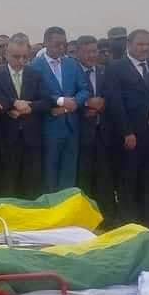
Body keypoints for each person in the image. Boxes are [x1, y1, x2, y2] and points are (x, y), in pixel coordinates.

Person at [104, 29, 149, 236]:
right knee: (129, 178)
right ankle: (130, 225)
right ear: (129, 44)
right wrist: (126, 132)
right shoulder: (116, 68)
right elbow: (115, 103)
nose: (145, 48)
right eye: (141, 44)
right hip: (131, 133)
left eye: (148, 44)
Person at [0, 39, 46, 199]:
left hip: (31, 139)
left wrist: (29, 108)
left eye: (25, 57)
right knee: (7, 185)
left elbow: (46, 101)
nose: (21, 61)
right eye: (17, 57)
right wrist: (13, 104)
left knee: (31, 185)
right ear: (6, 55)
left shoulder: (35, 75)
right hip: (6, 139)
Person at [32, 26, 89, 192]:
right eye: (57, 44)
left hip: (71, 127)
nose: (62, 48)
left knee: (69, 172)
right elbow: (35, 94)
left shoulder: (72, 64)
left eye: (64, 44)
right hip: (48, 127)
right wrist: (59, 102)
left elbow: (84, 89)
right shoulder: (35, 66)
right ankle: (51, 204)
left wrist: (73, 104)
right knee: (49, 172)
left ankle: (67, 204)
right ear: (46, 43)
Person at [73, 35, 116, 223]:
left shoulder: (105, 71)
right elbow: (67, 97)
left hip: (103, 132)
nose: (92, 55)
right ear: (78, 52)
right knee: (83, 177)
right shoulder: (72, 72)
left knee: (105, 177)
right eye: (87, 52)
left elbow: (114, 96)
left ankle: (108, 218)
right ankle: (85, 220)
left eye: (94, 51)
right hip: (80, 133)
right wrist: (85, 105)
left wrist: (103, 104)